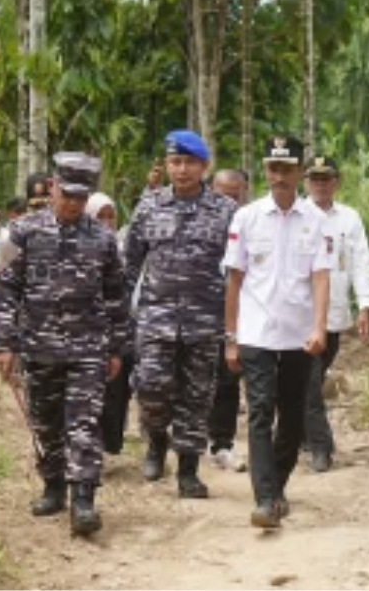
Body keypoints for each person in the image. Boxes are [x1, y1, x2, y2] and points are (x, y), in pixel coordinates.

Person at [0, 152, 128, 536]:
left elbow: (116, 295)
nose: (73, 204)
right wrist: (2, 342)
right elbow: (5, 289)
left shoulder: (103, 238)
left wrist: (116, 347)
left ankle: (83, 499)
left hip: (88, 347)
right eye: (67, 194)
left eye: (82, 198)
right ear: (52, 187)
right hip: (39, 344)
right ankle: (53, 486)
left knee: (83, 423)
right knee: (45, 421)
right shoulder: (22, 232)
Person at [223, 135, 332, 529]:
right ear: (265, 171)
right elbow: (234, 281)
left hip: (299, 336)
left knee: (293, 418)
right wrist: (231, 337)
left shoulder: (317, 221)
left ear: (300, 172)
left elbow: (321, 278)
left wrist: (320, 326)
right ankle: (265, 499)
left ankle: (277, 485)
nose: (279, 176)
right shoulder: (246, 218)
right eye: (273, 168)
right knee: (259, 413)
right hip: (256, 335)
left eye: (287, 169)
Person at [123, 130, 237, 499]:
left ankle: (188, 470)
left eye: (190, 162)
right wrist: (120, 315)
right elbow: (129, 266)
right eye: (175, 162)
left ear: (204, 166)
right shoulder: (149, 206)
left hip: (206, 321)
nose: (182, 169)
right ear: (167, 165)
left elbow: (238, 271)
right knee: (151, 387)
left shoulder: (226, 212)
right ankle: (156, 441)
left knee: (196, 396)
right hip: (155, 318)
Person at [302, 156, 369, 473]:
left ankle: (301, 432)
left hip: (334, 313)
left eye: (326, 178)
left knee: (312, 380)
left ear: (336, 181)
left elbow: (360, 261)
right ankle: (321, 445)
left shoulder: (349, 218)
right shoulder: (296, 215)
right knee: (308, 379)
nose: (320, 184)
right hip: (299, 315)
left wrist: (365, 303)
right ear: (305, 181)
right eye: (314, 178)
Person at [206, 169, 249, 473]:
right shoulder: (197, 221)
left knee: (227, 379)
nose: (229, 201)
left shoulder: (254, 223)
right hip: (196, 314)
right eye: (223, 194)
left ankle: (222, 443)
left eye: (236, 195)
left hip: (237, 317)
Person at [85, 191, 133, 456]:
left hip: (118, 328)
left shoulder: (124, 245)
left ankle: (110, 441)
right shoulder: (79, 244)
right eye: (99, 215)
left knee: (116, 390)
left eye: (109, 215)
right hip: (86, 329)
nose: (105, 221)